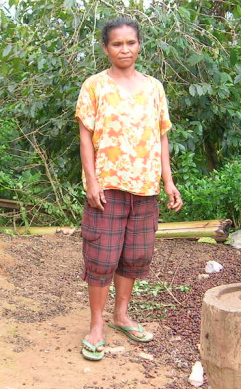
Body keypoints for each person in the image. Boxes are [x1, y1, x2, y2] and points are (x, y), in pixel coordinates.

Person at [75, 17, 183, 361]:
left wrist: (168, 180)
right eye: (117, 44)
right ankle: (96, 325)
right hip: (107, 186)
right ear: (106, 48)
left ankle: (121, 315)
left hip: (146, 187)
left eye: (131, 43)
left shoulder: (154, 87)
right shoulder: (94, 85)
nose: (125, 50)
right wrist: (91, 180)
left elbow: (161, 136)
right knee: (102, 256)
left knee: (135, 256)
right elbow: (85, 136)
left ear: (140, 45)